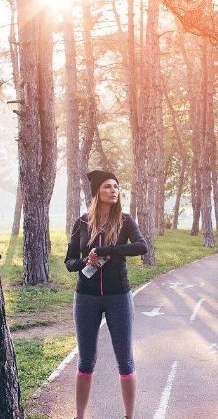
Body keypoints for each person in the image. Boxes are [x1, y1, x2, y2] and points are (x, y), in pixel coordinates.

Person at [64, 170, 148, 419]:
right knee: (85, 362)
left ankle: (129, 416)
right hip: (86, 297)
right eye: (108, 187)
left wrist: (109, 249)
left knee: (125, 360)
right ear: (97, 193)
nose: (114, 191)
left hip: (118, 296)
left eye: (116, 187)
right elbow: (69, 261)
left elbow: (141, 246)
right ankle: (79, 416)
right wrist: (85, 262)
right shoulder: (81, 223)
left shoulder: (124, 220)